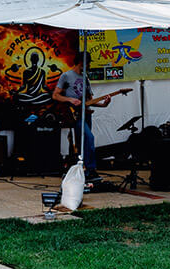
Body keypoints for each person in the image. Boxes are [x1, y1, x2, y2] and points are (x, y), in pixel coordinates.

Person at [52, 53, 129, 185]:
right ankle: (90, 169)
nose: (88, 66)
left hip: (86, 113)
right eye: (87, 64)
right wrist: (70, 99)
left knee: (85, 142)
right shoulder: (66, 76)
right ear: (81, 62)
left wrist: (104, 104)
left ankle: (85, 171)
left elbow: (89, 101)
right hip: (74, 114)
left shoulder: (85, 78)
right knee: (89, 138)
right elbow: (55, 95)